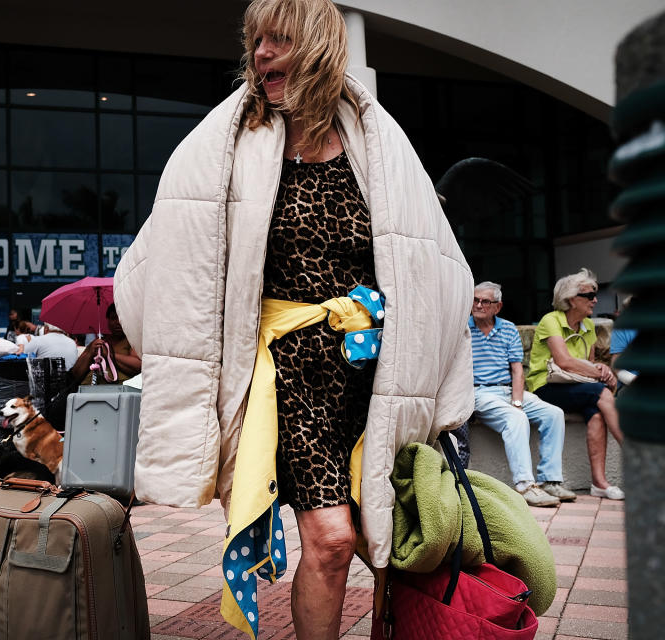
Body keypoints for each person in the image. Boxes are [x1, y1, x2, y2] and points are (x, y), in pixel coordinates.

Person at [112, 1, 474, 637]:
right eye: (256, 42)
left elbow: (433, 262)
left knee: (385, 535)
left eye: (279, 40)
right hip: (289, 376)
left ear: (318, 48)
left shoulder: (377, 143)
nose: (261, 54)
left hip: (371, 368)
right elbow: (166, 258)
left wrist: (433, 371)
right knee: (332, 539)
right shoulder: (227, 142)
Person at [469, 282, 573, 507]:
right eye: (475, 300)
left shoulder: (508, 329)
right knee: (516, 418)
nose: (478, 305)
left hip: (508, 389)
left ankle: (550, 480)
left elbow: (517, 370)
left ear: (498, 306)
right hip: (479, 392)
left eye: (485, 301)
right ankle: (525, 485)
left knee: (553, 414)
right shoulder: (462, 329)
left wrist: (517, 401)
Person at [527, 268, 624, 501]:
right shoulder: (551, 320)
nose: (595, 300)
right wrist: (602, 373)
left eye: (595, 294)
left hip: (574, 387)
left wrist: (600, 370)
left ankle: (600, 484)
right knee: (601, 392)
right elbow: (565, 362)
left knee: (596, 413)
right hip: (545, 386)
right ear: (571, 300)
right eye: (589, 295)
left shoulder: (588, 326)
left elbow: (586, 367)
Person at [70, 305, 141, 385]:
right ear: (108, 320)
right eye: (113, 318)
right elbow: (76, 374)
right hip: (88, 389)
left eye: (121, 318)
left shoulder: (132, 341)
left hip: (118, 390)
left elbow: (138, 367)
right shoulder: (97, 343)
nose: (117, 322)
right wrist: (90, 352)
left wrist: (108, 354)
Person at [16, 322, 81, 370]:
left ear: (46, 329)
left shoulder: (38, 340)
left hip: (45, 383)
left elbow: (24, 357)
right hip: (68, 383)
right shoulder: (72, 343)